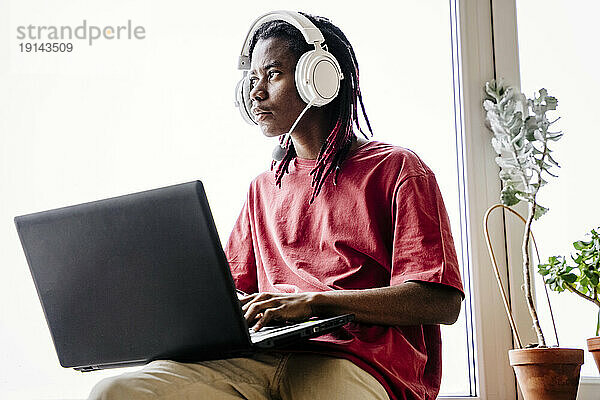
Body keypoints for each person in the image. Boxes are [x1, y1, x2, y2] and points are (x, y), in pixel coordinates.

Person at [88, 11, 463, 400]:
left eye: (272, 74)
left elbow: (440, 300)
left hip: (357, 362)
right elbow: (230, 292)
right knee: (116, 391)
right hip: (258, 357)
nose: (256, 92)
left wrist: (314, 302)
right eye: (252, 79)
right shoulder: (261, 188)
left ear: (319, 78)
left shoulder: (396, 169)